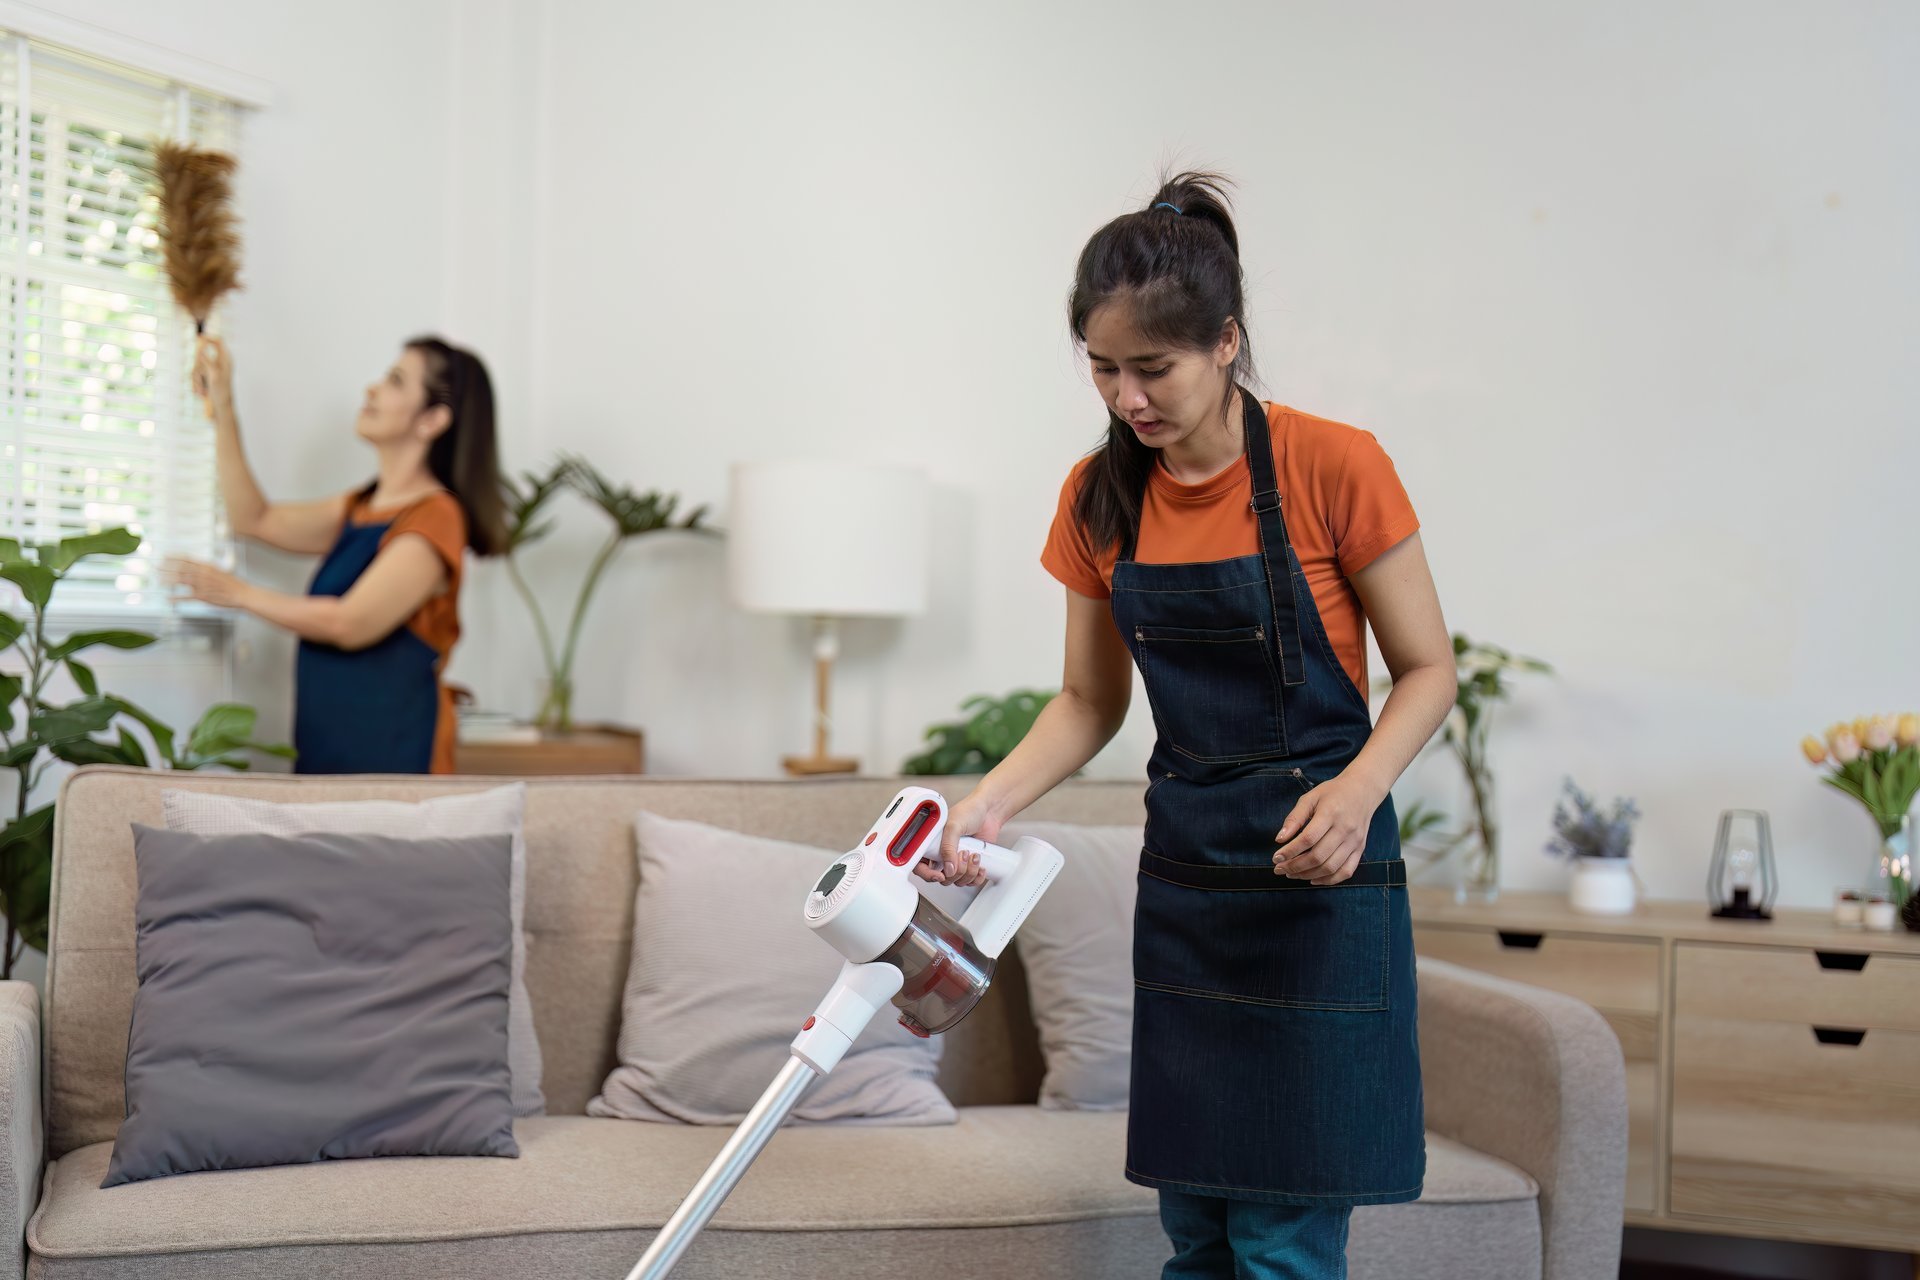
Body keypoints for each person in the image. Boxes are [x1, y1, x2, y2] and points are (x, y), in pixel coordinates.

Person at [923, 172, 1457, 1278]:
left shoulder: (1331, 464)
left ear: (1226, 343)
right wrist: (988, 799)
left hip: (1318, 883)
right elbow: (1088, 700)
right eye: (1104, 369)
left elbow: (1427, 670)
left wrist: (1356, 792)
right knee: (1197, 1233)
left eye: (1152, 368)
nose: (1129, 398)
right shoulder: (1098, 497)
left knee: (1281, 1235)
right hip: (1192, 883)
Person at [164, 335, 508, 774]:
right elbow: (254, 518)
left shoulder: (437, 516)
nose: (373, 389)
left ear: (433, 419)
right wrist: (224, 407)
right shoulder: (361, 508)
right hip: (328, 743)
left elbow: (350, 623)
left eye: (396, 381)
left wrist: (240, 594)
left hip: (395, 752)